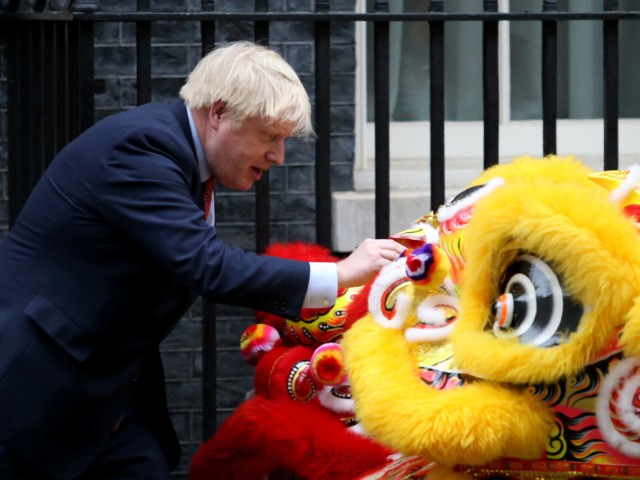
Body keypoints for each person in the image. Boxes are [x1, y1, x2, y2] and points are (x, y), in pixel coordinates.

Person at [0, 41, 405, 479]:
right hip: (36, 393)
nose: (278, 156)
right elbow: (207, 265)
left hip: (108, 396)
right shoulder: (141, 149)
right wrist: (341, 273)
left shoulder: (178, 155)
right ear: (219, 113)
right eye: (269, 136)